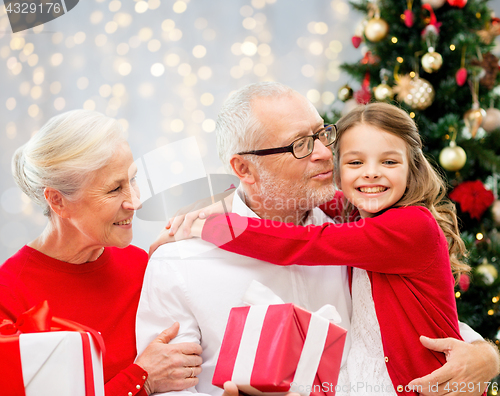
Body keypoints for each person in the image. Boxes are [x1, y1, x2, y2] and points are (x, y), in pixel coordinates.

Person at [139, 83, 499, 396]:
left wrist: (486, 355)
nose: (327, 153)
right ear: (243, 169)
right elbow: (170, 389)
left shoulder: (354, 223)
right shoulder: (179, 262)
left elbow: (407, 317)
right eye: (300, 145)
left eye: (322, 134)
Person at [0, 110, 203, 396]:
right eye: (113, 189)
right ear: (57, 200)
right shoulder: (8, 297)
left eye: (131, 180)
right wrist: (140, 380)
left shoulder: (140, 265)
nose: (135, 202)